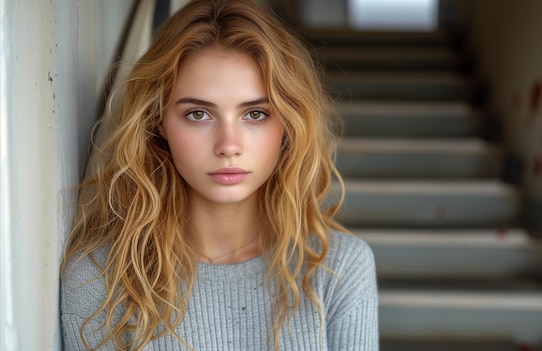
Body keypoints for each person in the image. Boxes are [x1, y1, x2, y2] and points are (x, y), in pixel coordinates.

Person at [59, 0, 378, 350]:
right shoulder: (100, 278)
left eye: (255, 114)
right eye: (198, 114)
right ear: (157, 122)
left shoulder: (336, 268)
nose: (228, 145)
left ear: (288, 124)